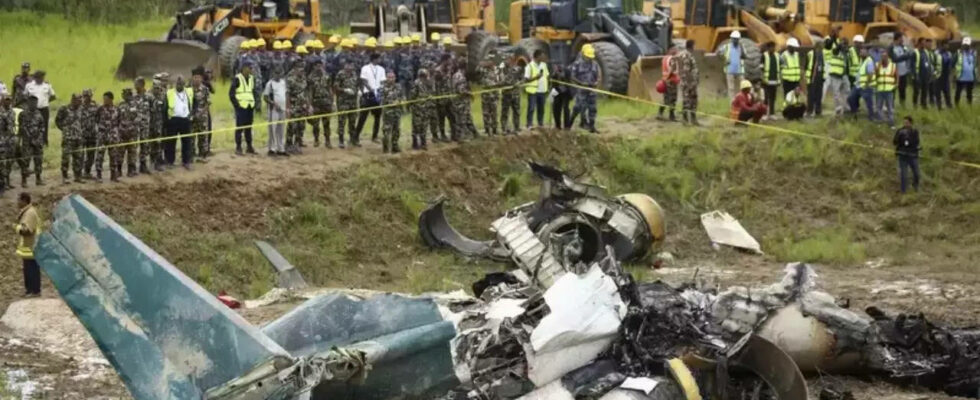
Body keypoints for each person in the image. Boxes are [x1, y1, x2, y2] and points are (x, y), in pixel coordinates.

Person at [568, 44, 600, 133]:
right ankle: (570, 124)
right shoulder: (577, 64)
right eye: (587, 56)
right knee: (578, 107)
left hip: (592, 90)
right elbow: (572, 77)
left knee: (592, 108)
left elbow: (597, 76)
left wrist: (596, 83)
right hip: (581, 90)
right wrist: (581, 83)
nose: (589, 58)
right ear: (582, 54)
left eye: (590, 57)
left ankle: (592, 126)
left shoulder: (595, 64)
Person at [357, 52, 386, 144]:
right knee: (363, 117)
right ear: (374, 59)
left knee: (377, 117)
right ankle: (356, 136)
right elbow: (364, 81)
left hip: (377, 95)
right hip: (368, 94)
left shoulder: (381, 69)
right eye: (379, 59)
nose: (380, 60)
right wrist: (371, 90)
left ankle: (375, 136)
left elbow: (383, 81)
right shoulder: (365, 68)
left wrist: (379, 91)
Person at [166, 76, 194, 169]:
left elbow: (195, 103)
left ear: (184, 84)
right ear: (175, 84)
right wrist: (167, 120)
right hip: (173, 120)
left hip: (185, 120)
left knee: (186, 142)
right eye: (177, 84)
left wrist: (191, 114)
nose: (179, 85)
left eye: (181, 84)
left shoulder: (189, 92)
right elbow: (165, 107)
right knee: (171, 142)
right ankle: (170, 161)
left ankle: (186, 161)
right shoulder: (169, 93)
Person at [15, 192, 41, 297]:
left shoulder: (29, 213)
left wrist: (16, 228)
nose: (17, 202)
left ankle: (33, 291)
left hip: (31, 247)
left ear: (24, 200)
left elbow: (27, 230)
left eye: (18, 200)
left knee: (31, 270)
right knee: (29, 269)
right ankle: (31, 290)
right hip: (29, 247)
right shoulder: (27, 211)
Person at [55, 94, 83, 184]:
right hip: (68, 138)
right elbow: (58, 121)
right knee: (66, 158)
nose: (80, 102)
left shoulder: (80, 109)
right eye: (78, 101)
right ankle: (65, 177)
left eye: (80, 101)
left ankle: (77, 176)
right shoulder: (64, 109)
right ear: (73, 100)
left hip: (78, 137)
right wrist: (65, 129)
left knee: (78, 157)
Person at [229, 64, 256, 155]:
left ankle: (249, 146)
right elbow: (231, 94)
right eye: (249, 68)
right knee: (240, 128)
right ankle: (238, 147)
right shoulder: (237, 78)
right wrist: (237, 105)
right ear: (244, 68)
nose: (251, 70)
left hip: (250, 106)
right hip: (241, 107)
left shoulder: (252, 78)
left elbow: (253, 91)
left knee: (249, 127)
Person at [17, 96, 44, 187]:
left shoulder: (39, 114)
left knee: (38, 160)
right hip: (27, 141)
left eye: (35, 103)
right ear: (28, 103)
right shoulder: (23, 114)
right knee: (25, 161)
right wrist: (30, 138)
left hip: (37, 141)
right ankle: (24, 180)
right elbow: (22, 127)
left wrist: (38, 138)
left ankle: (38, 179)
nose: (33, 104)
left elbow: (42, 127)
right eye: (32, 102)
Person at [334, 55, 359, 148]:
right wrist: (344, 90)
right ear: (345, 65)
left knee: (352, 121)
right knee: (342, 121)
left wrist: (358, 91)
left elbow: (357, 84)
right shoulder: (340, 74)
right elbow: (336, 87)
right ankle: (341, 140)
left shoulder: (354, 74)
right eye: (348, 65)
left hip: (353, 101)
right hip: (343, 101)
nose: (350, 67)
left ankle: (352, 139)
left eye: (351, 65)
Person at [307, 58, 333, 148]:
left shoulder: (326, 76)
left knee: (326, 123)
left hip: (326, 102)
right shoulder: (310, 78)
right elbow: (310, 92)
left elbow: (329, 89)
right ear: (314, 67)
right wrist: (310, 105)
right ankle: (316, 139)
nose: (319, 67)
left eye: (320, 65)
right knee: (316, 124)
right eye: (317, 65)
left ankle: (328, 141)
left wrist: (332, 102)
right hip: (316, 102)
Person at [24, 70, 55, 146]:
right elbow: (25, 96)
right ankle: (32, 142)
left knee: (44, 126)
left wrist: (46, 101)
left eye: (42, 77)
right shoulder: (29, 86)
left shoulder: (47, 86)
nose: (41, 79)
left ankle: (44, 142)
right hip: (33, 109)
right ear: (35, 78)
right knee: (32, 125)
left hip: (44, 109)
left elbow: (53, 96)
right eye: (39, 77)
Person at [823, 28, 850, 115]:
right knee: (836, 92)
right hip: (835, 73)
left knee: (847, 90)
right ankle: (838, 108)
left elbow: (846, 53)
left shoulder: (846, 51)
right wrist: (839, 45)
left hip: (843, 74)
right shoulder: (834, 47)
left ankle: (845, 107)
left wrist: (844, 46)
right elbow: (834, 51)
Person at [285, 61, 309, 154]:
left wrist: (308, 105)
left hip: (302, 106)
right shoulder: (290, 79)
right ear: (295, 69)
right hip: (294, 106)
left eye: (303, 69)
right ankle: (288, 144)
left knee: (301, 126)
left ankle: (297, 144)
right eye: (300, 69)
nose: (302, 71)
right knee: (292, 126)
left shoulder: (303, 79)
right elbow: (287, 94)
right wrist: (288, 108)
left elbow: (305, 92)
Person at [263, 67, 288, 156]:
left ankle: (281, 148)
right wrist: (273, 103)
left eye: (279, 73)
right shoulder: (270, 84)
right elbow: (265, 97)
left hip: (283, 109)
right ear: (273, 73)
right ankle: (272, 149)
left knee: (281, 130)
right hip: (273, 110)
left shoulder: (283, 83)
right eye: (276, 73)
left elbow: (285, 94)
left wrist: (287, 107)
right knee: (272, 129)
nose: (278, 75)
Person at [847, 45, 876, 121]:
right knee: (850, 98)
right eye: (861, 52)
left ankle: (871, 117)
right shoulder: (861, 61)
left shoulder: (869, 61)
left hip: (865, 86)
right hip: (858, 85)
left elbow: (870, 74)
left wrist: (867, 83)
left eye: (864, 52)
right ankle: (854, 114)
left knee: (869, 103)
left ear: (867, 53)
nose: (862, 53)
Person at [95, 91, 119, 182]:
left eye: (106, 99)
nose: (104, 101)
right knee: (100, 156)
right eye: (104, 99)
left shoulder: (116, 109)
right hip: (102, 136)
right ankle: (98, 175)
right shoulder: (100, 109)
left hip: (113, 136)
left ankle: (113, 175)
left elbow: (118, 121)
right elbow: (96, 119)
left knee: (113, 156)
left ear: (111, 99)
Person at [451, 60, 478, 140]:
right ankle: (461, 137)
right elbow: (461, 90)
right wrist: (470, 94)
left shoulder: (456, 75)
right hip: (461, 102)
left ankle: (474, 133)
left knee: (468, 118)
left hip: (460, 101)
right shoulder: (461, 77)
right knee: (461, 119)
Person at [117, 88, 140, 178]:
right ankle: (119, 171)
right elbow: (117, 118)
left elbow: (139, 117)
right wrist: (121, 128)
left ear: (130, 95)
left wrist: (132, 126)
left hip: (132, 133)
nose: (124, 96)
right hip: (122, 134)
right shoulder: (120, 105)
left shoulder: (136, 105)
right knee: (120, 153)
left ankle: (131, 170)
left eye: (125, 94)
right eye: (123, 94)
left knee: (132, 153)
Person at [893, 116, 920, 193]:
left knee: (916, 173)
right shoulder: (900, 131)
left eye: (907, 123)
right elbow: (895, 142)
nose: (905, 124)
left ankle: (915, 186)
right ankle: (903, 191)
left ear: (911, 123)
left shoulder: (914, 132)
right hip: (902, 155)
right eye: (904, 123)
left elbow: (916, 142)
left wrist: (908, 139)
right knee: (904, 175)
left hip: (912, 155)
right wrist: (900, 137)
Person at [478, 52, 503, 135]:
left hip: (494, 95)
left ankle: (495, 129)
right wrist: (483, 64)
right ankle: (487, 129)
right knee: (486, 113)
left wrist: (497, 85)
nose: (489, 62)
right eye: (488, 60)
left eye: (491, 60)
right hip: (485, 95)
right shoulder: (483, 70)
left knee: (494, 113)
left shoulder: (498, 70)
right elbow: (477, 69)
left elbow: (501, 80)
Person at [189, 68, 211, 161]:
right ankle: (191, 155)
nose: (196, 79)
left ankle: (203, 155)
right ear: (192, 78)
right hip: (191, 117)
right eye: (195, 77)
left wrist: (201, 113)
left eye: (198, 77)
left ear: (201, 78)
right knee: (191, 138)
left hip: (202, 117)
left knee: (203, 137)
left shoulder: (205, 89)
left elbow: (208, 103)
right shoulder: (188, 89)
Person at [381, 70, 405, 153]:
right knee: (386, 130)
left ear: (395, 78)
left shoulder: (398, 86)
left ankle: (395, 146)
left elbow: (402, 96)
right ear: (386, 78)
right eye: (389, 77)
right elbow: (381, 100)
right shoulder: (383, 87)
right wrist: (390, 103)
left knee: (396, 129)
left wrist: (401, 101)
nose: (391, 79)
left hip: (397, 111)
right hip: (388, 112)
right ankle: (386, 148)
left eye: (392, 77)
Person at [677, 40, 700, 125]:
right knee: (687, 101)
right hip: (688, 83)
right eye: (694, 45)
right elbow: (686, 70)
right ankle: (685, 119)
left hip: (691, 82)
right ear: (692, 46)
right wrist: (690, 82)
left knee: (693, 100)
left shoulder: (688, 54)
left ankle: (693, 119)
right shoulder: (686, 55)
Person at [524, 50, 549, 129]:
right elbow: (526, 79)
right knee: (531, 108)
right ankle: (529, 124)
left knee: (541, 108)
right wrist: (536, 78)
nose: (544, 57)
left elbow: (547, 75)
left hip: (542, 90)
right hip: (533, 91)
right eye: (542, 56)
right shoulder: (529, 66)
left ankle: (540, 123)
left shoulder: (544, 65)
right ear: (538, 56)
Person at [410, 68, 434, 150]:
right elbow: (412, 96)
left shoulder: (428, 83)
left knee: (424, 125)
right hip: (418, 108)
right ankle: (415, 142)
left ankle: (423, 142)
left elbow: (431, 93)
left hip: (426, 108)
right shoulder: (416, 83)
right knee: (416, 125)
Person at [500, 55, 523, 135]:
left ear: (511, 60)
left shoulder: (518, 69)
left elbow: (522, 79)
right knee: (505, 112)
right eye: (505, 60)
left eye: (507, 59)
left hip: (515, 94)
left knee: (516, 111)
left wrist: (519, 83)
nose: (505, 61)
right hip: (506, 94)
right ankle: (504, 129)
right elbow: (501, 81)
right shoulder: (502, 70)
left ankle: (516, 128)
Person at [133, 78, 153, 174]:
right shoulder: (133, 97)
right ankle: (132, 167)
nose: (134, 86)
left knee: (145, 145)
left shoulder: (149, 97)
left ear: (141, 84)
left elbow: (153, 110)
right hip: (135, 125)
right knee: (133, 146)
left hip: (145, 125)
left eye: (136, 84)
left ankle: (143, 165)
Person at [148, 77, 168, 171]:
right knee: (151, 143)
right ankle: (152, 160)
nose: (157, 90)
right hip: (149, 123)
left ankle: (158, 162)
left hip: (159, 123)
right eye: (155, 87)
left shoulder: (163, 95)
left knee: (159, 142)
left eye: (158, 88)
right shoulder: (148, 96)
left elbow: (165, 108)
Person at [718, 31, 745, 99]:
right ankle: (733, 104)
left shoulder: (741, 47)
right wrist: (724, 59)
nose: (735, 40)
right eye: (734, 38)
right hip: (729, 70)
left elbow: (745, 56)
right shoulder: (727, 47)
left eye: (737, 39)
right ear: (731, 39)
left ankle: (742, 101)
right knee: (731, 88)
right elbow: (718, 53)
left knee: (742, 87)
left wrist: (742, 49)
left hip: (739, 70)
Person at [80, 89, 100, 178]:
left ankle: (87, 172)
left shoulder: (95, 106)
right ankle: (78, 173)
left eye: (88, 96)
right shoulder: (79, 106)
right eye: (85, 96)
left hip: (92, 134)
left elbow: (99, 118)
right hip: (81, 134)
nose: (86, 98)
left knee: (91, 155)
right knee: (80, 155)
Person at [889, 32, 913, 107]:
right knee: (893, 90)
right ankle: (891, 105)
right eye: (901, 39)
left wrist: (907, 55)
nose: (902, 40)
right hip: (894, 73)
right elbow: (894, 59)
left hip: (903, 72)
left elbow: (908, 56)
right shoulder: (891, 48)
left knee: (902, 90)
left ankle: (902, 104)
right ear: (897, 39)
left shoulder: (903, 47)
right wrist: (904, 56)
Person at [657, 43, 680, 122]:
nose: (677, 50)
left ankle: (660, 113)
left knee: (666, 98)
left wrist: (665, 78)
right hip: (671, 81)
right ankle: (672, 115)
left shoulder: (664, 58)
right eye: (675, 49)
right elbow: (672, 70)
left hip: (665, 81)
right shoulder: (672, 59)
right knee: (673, 98)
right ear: (671, 50)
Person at [875, 52, 898, 128]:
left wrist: (896, 84)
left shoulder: (893, 65)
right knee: (879, 107)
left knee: (890, 107)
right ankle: (880, 122)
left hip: (889, 90)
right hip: (880, 89)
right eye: (882, 56)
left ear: (888, 57)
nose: (883, 58)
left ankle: (891, 123)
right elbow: (875, 75)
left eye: (885, 56)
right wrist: (878, 67)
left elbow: (896, 76)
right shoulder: (877, 65)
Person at [805, 39, 827, 117]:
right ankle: (809, 111)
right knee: (811, 95)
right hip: (812, 77)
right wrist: (808, 78)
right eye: (821, 44)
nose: (823, 46)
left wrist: (823, 77)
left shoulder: (822, 54)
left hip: (819, 77)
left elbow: (823, 66)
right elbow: (806, 66)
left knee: (819, 95)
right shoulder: (811, 53)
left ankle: (818, 111)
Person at [912, 38, 935, 109]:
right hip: (918, 75)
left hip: (926, 75)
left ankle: (924, 104)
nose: (924, 44)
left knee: (925, 91)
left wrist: (930, 73)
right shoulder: (915, 52)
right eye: (923, 43)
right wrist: (915, 75)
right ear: (919, 43)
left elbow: (929, 62)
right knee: (916, 91)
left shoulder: (926, 52)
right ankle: (915, 105)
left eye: (925, 42)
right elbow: (912, 65)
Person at [761, 42, 781, 120]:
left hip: (774, 80)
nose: (773, 49)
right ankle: (765, 114)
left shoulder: (777, 56)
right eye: (771, 47)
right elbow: (761, 68)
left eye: (773, 47)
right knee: (766, 98)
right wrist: (762, 78)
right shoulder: (764, 56)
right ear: (768, 48)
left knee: (773, 98)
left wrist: (779, 80)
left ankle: (772, 113)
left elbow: (779, 67)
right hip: (766, 81)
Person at [955, 37, 977, 106]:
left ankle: (969, 105)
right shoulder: (958, 53)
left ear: (970, 45)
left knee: (969, 93)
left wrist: (975, 76)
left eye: (967, 45)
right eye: (965, 44)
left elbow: (975, 64)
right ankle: (957, 105)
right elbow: (953, 63)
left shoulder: (973, 53)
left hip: (970, 77)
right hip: (961, 76)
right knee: (958, 92)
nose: (966, 46)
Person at [0, 95, 16, 193]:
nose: (8, 102)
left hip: (10, 140)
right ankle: (3, 184)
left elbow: (12, 126)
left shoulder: (12, 112)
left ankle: (8, 182)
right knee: (2, 164)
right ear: (2, 101)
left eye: (9, 100)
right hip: (2, 141)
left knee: (10, 162)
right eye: (6, 100)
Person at [936, 41, 954, 109]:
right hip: (938, 76)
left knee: (947, 93)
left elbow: (950, 64)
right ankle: (939, 107)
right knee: (938, 93)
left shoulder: (949, 54)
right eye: (945, 45)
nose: (947, 47)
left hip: (946, 76)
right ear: (942, 45)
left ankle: (949, 106)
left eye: (947, 45)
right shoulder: (937, 53)